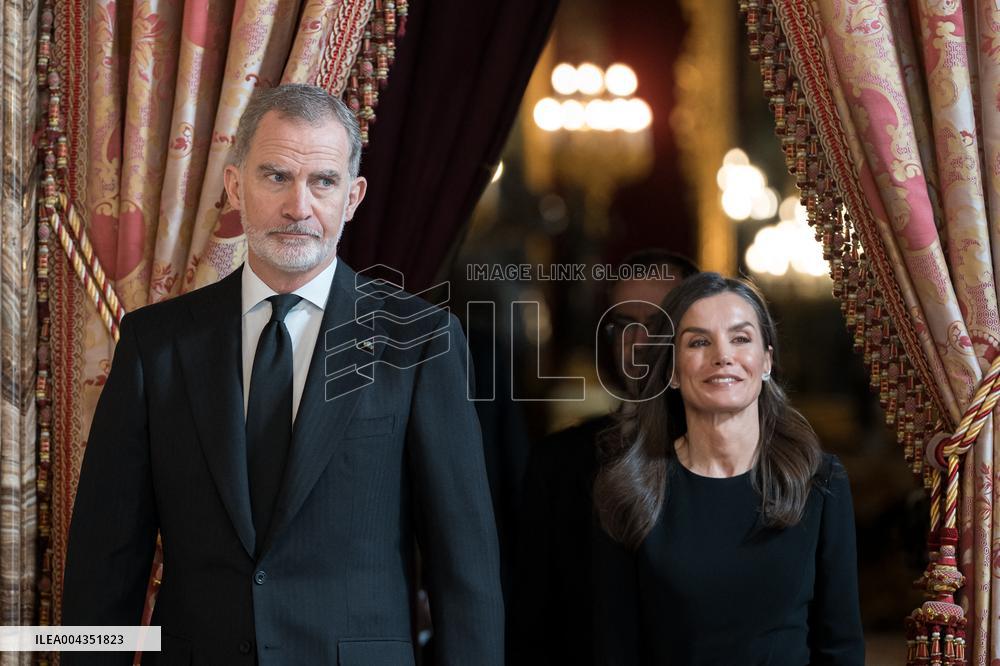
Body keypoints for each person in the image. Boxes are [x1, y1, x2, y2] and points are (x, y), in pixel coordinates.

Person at [61, 84, 504, 666]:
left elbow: (464, 572)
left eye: (323, 181)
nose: (300, 206)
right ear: (234, 185)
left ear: (353, 196)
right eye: (275, 176)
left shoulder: (420, 342)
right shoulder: (156, 344)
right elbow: (104, 565)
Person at [593, 272, 864, 665]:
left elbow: (841, 648)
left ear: (766, 360)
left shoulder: (820, 482)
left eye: (740, 338)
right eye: (699, 341)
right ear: (670, 369)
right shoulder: (629, 488)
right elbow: (613, 650)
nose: (723, 355)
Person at [509, 250, 697, 665]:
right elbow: (531, 627)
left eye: (656, 324)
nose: (638, 342)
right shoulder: (558, 465)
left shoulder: (744, 461)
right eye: (623, 325)